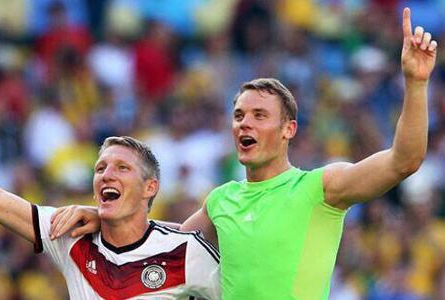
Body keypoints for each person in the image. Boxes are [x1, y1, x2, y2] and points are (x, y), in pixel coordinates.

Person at [50, 8, 437, 300]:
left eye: (259, 115)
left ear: (289, 130)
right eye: (238, 115)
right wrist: (105, 218)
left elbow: (404, 159)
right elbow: (163, 246)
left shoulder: (320, 188)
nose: (244, 124)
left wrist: (415, 83)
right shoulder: (221, 200)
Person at [0, 136, 220, 299]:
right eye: (100, 168)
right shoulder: (71, 233)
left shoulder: (186, 250)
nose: (107, 175)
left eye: (122, 168)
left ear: (149, 188)